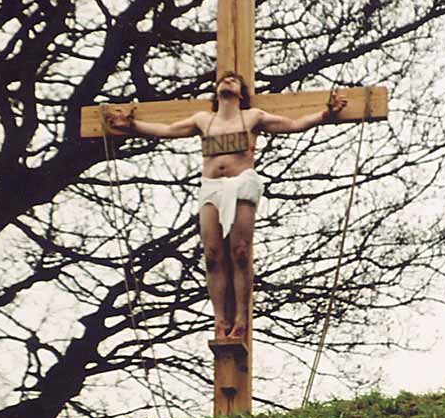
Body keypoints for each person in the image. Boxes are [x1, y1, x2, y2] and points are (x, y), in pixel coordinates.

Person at [106, 71, 347, 341]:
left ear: (241, 93)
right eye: (223, 80)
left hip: (241, 184)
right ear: (216, 90)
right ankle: (220, 320)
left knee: (240, 252)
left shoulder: (252, 117)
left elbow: (293, 123)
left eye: (233, 80)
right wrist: (132, 126)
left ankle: (242, 319)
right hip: (211, 187)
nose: (227, 81)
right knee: (211, 255)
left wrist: (326, 114)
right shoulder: (203, 120)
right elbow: (167, 130)